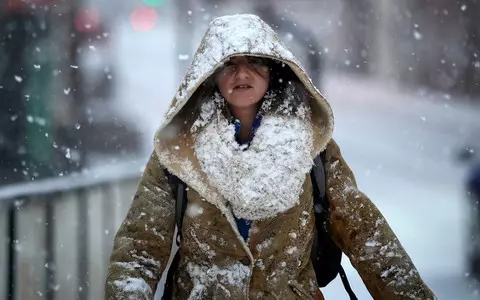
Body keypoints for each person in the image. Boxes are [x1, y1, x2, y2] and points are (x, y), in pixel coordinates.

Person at [105, 14, 436, 299]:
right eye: (229, 64)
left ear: (274, 69)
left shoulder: (312, 146)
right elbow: (140, 251)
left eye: (255, 62)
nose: (242, 74)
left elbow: (368, 237)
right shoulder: (179, 151)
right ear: (210, 75)